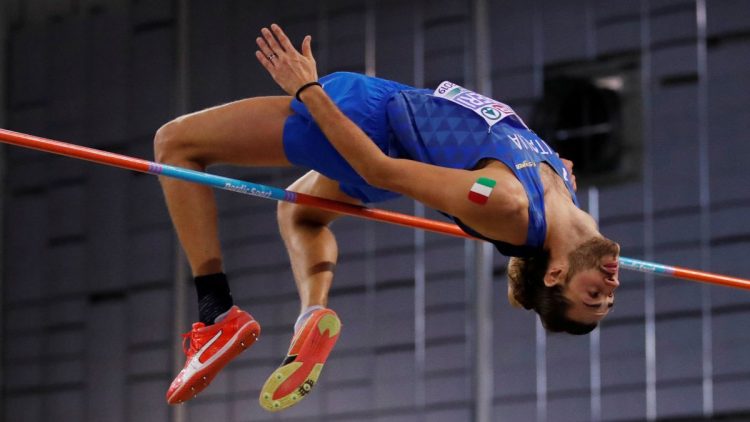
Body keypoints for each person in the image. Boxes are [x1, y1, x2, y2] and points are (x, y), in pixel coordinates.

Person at [154, 24, 621, 411]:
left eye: (593, 295)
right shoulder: (561, 187)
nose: (611, 286)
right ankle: (311, 314)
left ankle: (217, 315)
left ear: (556, 272)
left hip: (362, 122)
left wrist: (307, 90)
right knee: (300, 213)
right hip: (386, 134)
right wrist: (556, 166)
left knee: (176, 144)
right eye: (607, 298)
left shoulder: (503, 202)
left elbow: (377, 169)